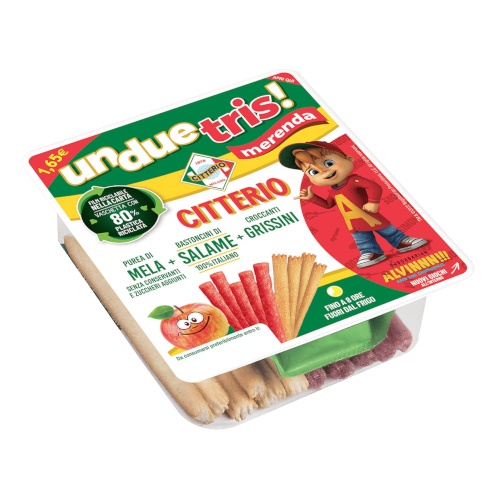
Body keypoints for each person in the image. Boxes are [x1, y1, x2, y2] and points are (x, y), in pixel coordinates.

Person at [278, 141, 428, 268]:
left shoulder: (354, 180)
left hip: (370, 216)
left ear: (348, 159)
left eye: (329, 163)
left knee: (388, 230)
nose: (324, 171)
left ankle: (401, 241)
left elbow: (374, 187)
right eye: (313, 172)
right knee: (363, 240)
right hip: (353, 223)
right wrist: (312, 198)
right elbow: (328, 205)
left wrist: (373, 203)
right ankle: (371, 252)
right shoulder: (333, 191)